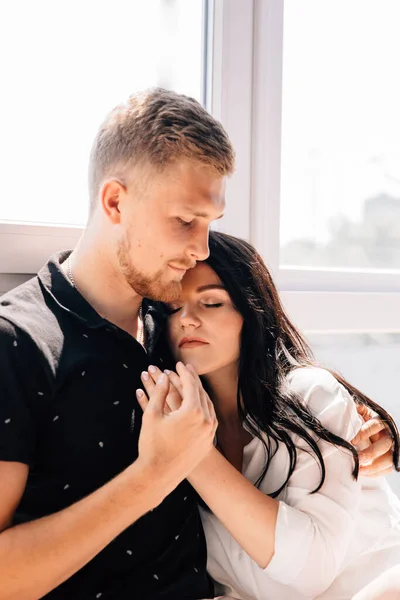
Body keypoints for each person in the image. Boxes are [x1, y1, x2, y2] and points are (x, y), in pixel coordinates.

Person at [0, 89, 393, 600]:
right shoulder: (20, 343)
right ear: (115, 202)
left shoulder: (170, 334)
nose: (201, 247)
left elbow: (266, 385)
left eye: (210, 224)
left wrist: (356, 429)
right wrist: (154, 473)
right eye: (186, 221)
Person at [137, 230, 400, 600]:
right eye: (171, 308)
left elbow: (310, 570)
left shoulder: (311, 394)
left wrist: (190, 452)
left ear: (251, 309)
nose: (187, 320)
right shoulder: (161, 423)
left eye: (211, 303)